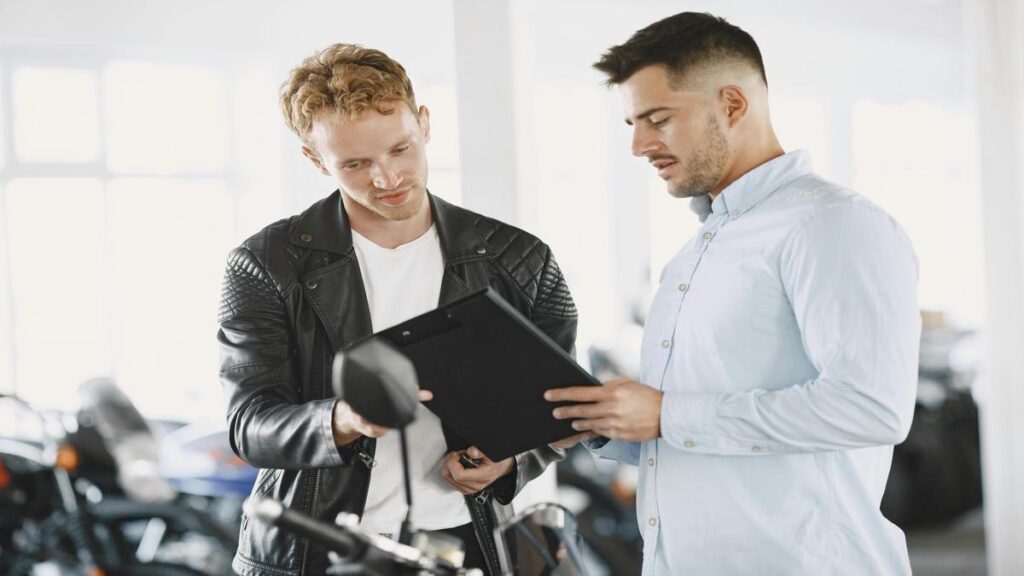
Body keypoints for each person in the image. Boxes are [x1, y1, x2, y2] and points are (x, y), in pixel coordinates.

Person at [545, 12, 920, 575]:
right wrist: (612, 421)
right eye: (632, 123)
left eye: (657, 118)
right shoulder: (698, 248)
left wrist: (669, 414)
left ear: (733, 105)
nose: (639, 145)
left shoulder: (832, 225)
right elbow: (699, 433)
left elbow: (870, 408)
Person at [218, 43, 578, 576]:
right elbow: (248, 426)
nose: (387, 179)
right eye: (356, 164)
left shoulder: (520, 258)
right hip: (312, 551)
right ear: (315, 160)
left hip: (463, 543)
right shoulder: (264, 263)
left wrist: (511, 461)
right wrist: (343, 419)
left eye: (401, 149)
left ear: (425, 124)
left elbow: (561, 406)